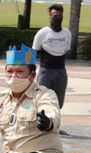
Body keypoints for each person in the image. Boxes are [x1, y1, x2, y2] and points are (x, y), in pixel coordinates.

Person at [32, 3, 71, 136]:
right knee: (41, 99)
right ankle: (36, 127)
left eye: (59, 16)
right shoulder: (42, 33)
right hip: (45, 71)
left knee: (58, 102)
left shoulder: (67, 33)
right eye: (54, 16)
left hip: (61, 71)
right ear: (49, 16)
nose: (57, 18)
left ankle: (55, 127)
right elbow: (34, 52)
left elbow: (65, 50)